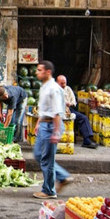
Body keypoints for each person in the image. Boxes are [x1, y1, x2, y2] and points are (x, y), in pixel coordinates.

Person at [33, 60, 73, 199]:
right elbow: (44, 109)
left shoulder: (54, 89)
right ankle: (62, 176)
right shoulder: (44, 87)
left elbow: (56, 112)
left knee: (47, 160)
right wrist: (39, 122)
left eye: (39, 70)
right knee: (38, 155)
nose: (37, 72)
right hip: (45, 124)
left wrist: (56, 132)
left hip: (51, 126)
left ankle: (49, 190)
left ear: (47, 72)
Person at [57, 75, 97, 149]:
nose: (63, 85)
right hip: (58, 111)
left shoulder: (68, 89)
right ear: (57, 82)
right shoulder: (54, 90)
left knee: (83, 118)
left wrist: (70, 103)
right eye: (61, 83)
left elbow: (73, 101)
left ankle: (87, 140)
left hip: (68, 110)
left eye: (64, 83)